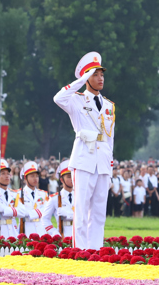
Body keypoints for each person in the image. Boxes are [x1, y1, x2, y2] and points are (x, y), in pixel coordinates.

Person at [54, 51, 116, 249]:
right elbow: (58, 98)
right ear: (87, 77)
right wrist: (80, 80)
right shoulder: (77, 100)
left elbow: (110, 139)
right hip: (84, 158)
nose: (101, 78)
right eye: (96, 74)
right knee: (81, 208)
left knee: (99, 210)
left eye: (102, 74)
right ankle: (80, 251)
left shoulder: (108, 105)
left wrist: (111, 168)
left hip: (103, 160)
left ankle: (95, 249)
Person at [30, 160, 76, 239]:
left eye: (73, 176)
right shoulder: (55, 198)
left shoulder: (80, 197)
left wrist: (68, 214)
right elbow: (45, 218)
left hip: (79, 235)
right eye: (68, 177)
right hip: (63, 236)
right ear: (61, 180)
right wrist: (54, 233)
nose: (72, 179)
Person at [19, 161, 51, 235]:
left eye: (37, 176)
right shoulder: (19, 194)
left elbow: (46, 211)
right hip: (26, 229)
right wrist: (38, 212)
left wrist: (29, 214)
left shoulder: (43, 194)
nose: (35, 179)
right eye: (32, 176)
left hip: (40, 229)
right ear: (25, 178)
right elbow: (21, 212)